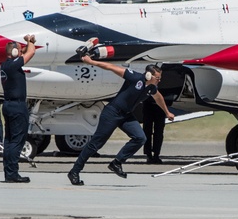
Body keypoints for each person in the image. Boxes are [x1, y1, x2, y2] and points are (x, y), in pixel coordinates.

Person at [68, 58, 174, 186]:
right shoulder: (135, 78)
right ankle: (74, 171)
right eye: (157, 78)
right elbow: (111, 67)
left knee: (140, 138)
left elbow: (158, 98)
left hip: (126, 115)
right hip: (112, 112)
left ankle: (116, 163)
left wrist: (167, 112)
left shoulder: (151, 88)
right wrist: (91, 62)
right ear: (148, 75)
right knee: (96, 144)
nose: (159, 80)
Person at [0, 35, 37, 183]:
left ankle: (9, 172)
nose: (22, 53)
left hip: (8, 105)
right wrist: (30, 41)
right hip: (17, 106)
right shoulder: (13, 65)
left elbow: (27, 53)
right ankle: (13, 173)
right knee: (17, 141)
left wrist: (26, 45)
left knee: (9, 141)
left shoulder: (5, 65)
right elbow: (31, 53)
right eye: (20, 51)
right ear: (15, 53)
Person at [141, 93, 170, 164]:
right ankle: (150, 154)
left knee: (158, 131)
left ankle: (155, 154)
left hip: (158, 104)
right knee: (148, 130)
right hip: (148, 103)